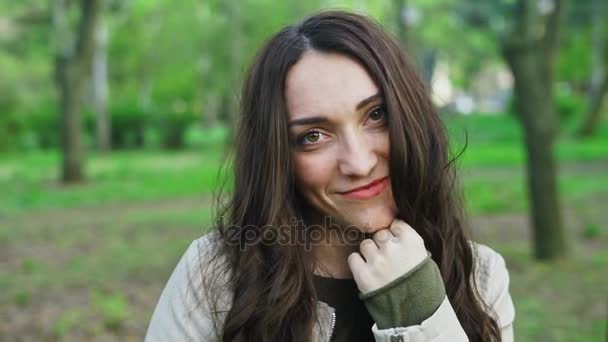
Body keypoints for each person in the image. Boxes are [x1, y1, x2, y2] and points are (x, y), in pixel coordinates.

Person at [145, 10, 515, 342]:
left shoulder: (479, 278)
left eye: (376, 115)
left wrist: (417, 308)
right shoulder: (215, 277)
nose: (358, 163)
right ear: (279, 158)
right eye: (314, 136)